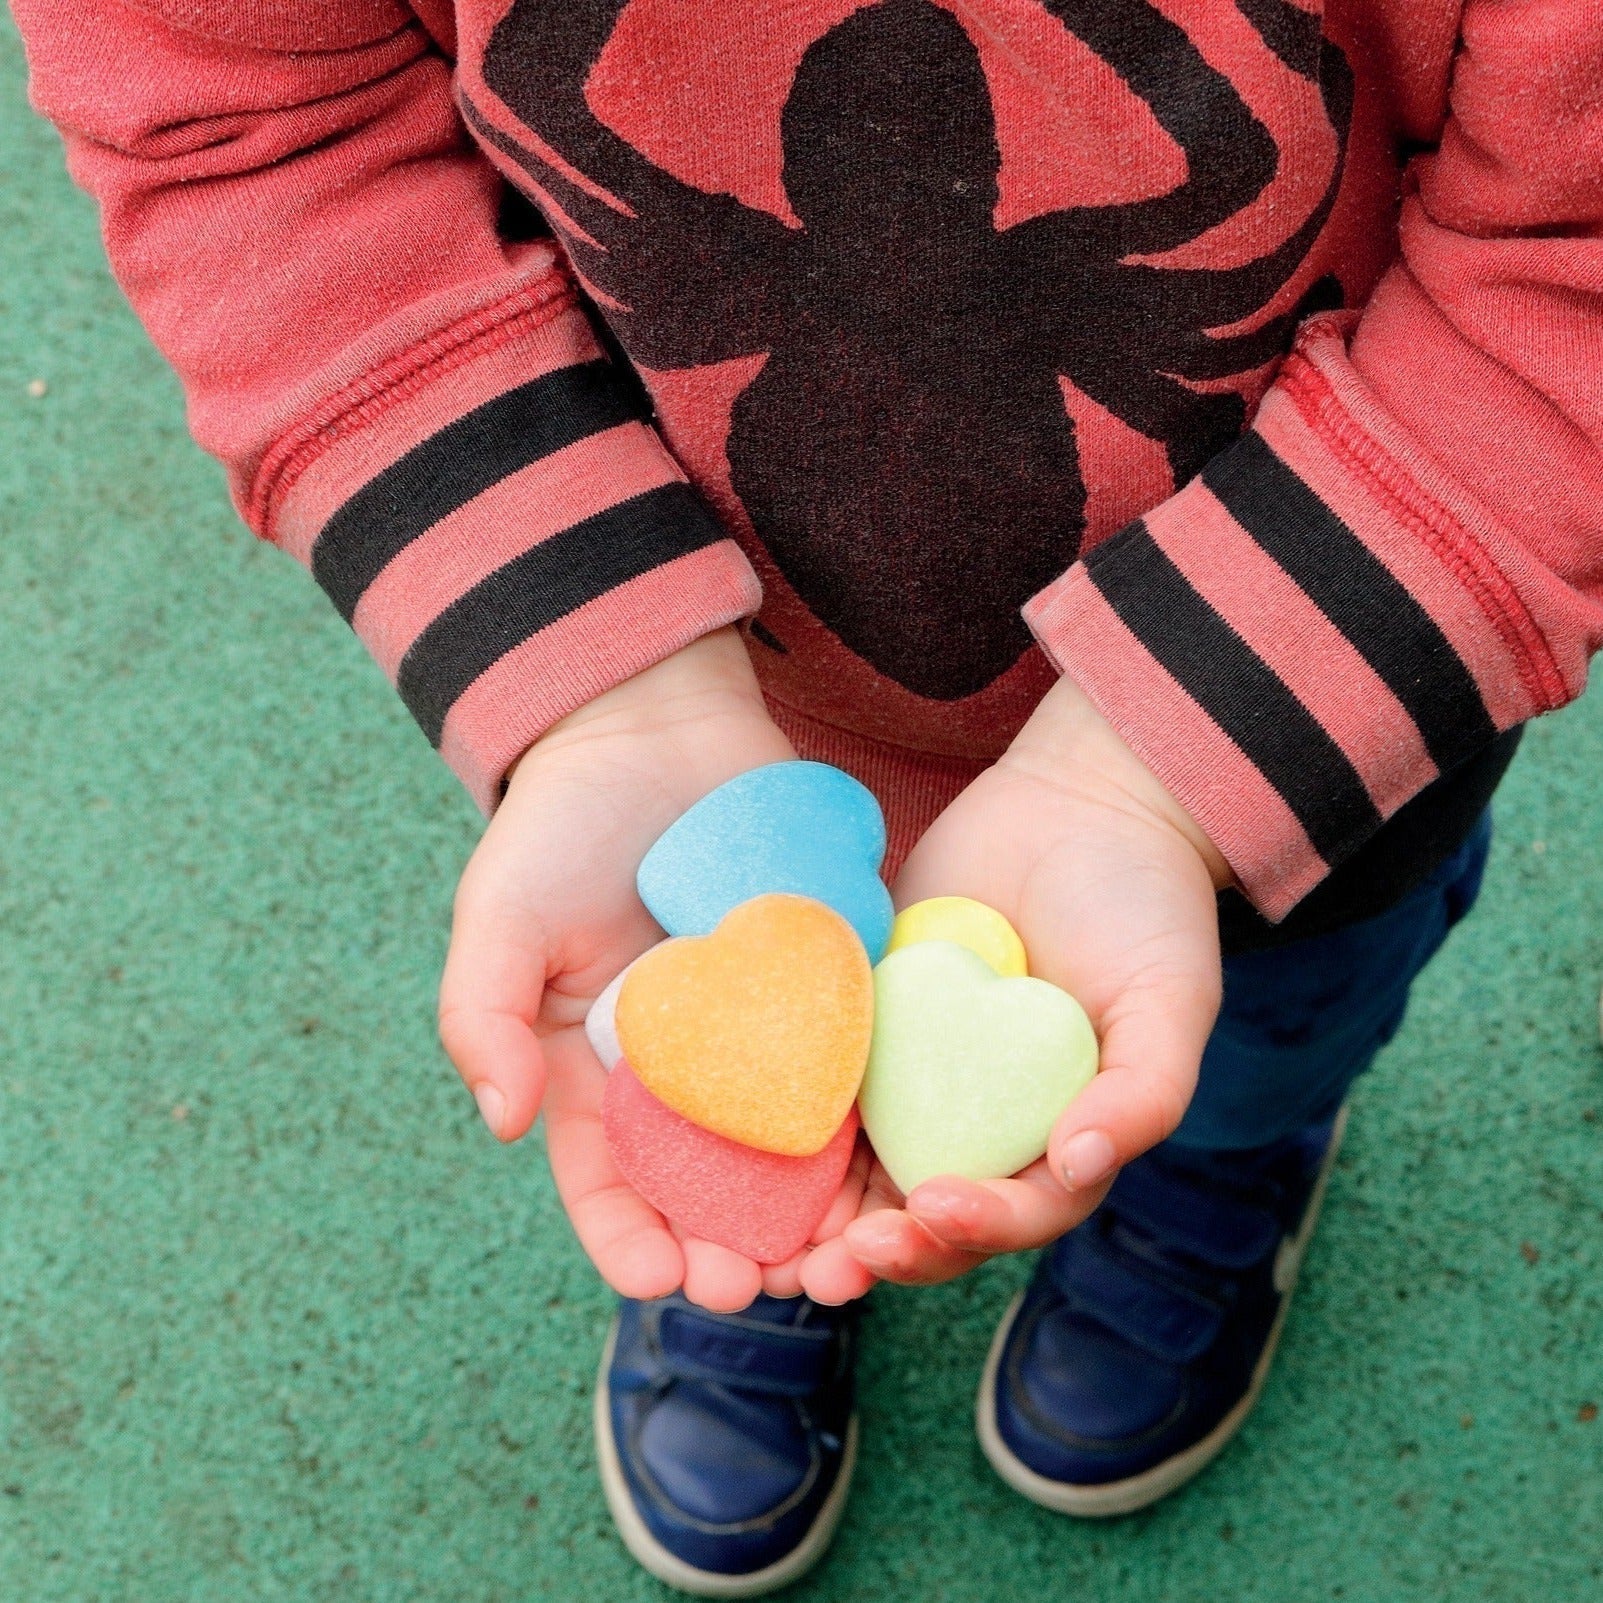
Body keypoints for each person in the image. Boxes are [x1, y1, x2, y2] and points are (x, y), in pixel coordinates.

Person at [15, 0, 1601, 1593]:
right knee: (723, 979)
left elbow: (1570, 268)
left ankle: (1225, 1162)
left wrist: (1161, 777)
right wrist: (602, 690)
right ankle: (749, 1164)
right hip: (695, 715)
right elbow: (248, 118)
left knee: (1279, 1006)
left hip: (1314, 690)